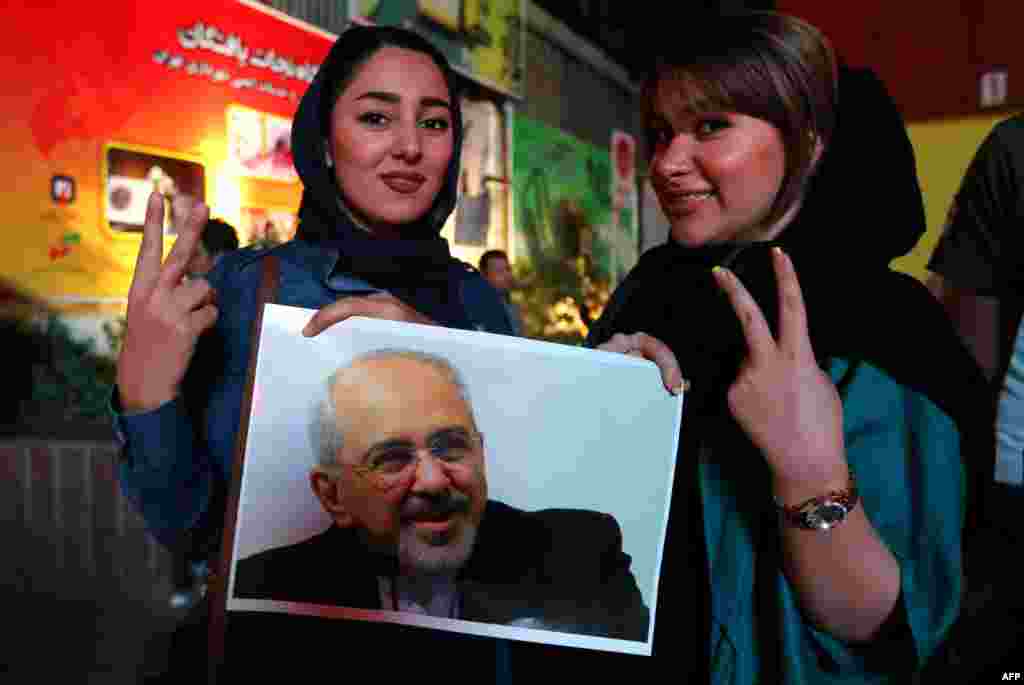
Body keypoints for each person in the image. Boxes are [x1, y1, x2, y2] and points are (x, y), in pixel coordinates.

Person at [110, 25, 542, 682]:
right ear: (324, 143)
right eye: (375, 117)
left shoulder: (481, 305)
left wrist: (435, 349)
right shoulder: (248, 291)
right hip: (287, 658)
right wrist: (147, 395)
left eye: (434, 122)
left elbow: (517, 502)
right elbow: (190, 525)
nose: (409, 147)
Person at [586, 11, 988, 683]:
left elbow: (887, 626)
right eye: (660, 134)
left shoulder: (884, 326)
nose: (668, 164)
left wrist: (809, 470)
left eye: (712, 127)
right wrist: (603, 401)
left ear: (807, 142)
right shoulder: (650, 293)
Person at [233, 349, 649, 641]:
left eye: (450, 446)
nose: (432, 482)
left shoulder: (581, 556)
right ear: (333, 495)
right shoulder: (262, 591)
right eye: (392, 458)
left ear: (480, 453)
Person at [479, 249, 523, 335]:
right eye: (499, 271)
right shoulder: (479, 308)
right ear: (484, 276)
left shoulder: (512, 307)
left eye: (508, 269)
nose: (507, 275)